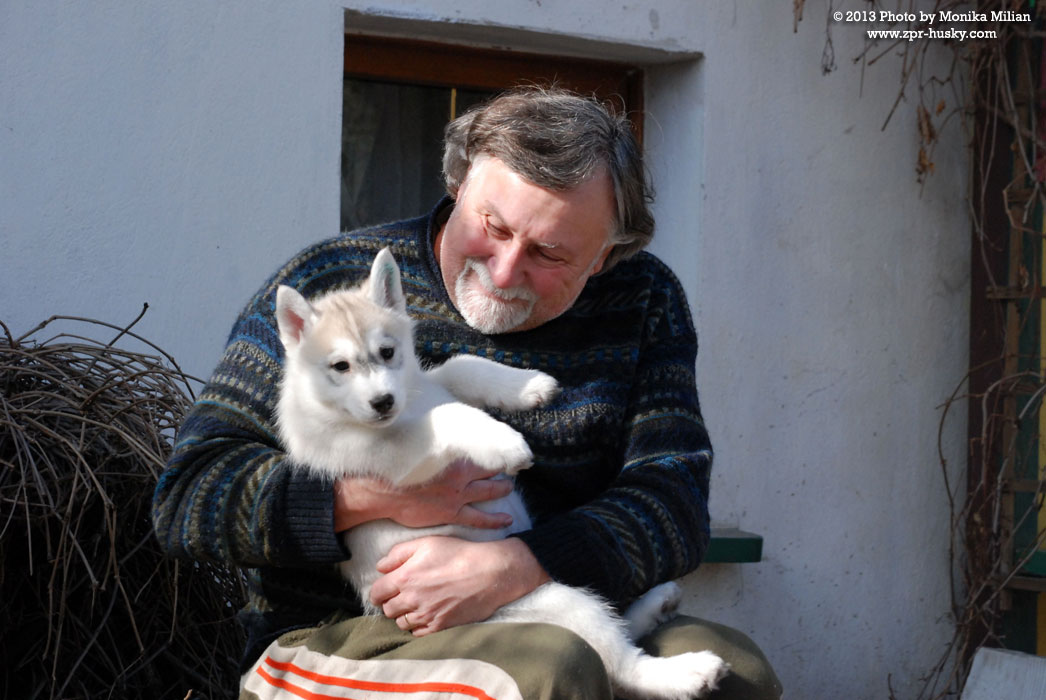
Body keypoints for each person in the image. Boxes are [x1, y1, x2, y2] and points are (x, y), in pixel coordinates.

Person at [152, 86, 782, 700]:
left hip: (545, 593)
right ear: (458, 184)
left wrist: (518, 565)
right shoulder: (331, 285)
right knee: (548, 671)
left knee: (739, 675)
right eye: (493, 225)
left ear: (602, 257)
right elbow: (188, 498)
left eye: (549, 253)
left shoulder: (645, 300)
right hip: (338, 630)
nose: (505, 271)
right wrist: (368, 496)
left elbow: (673, 498)